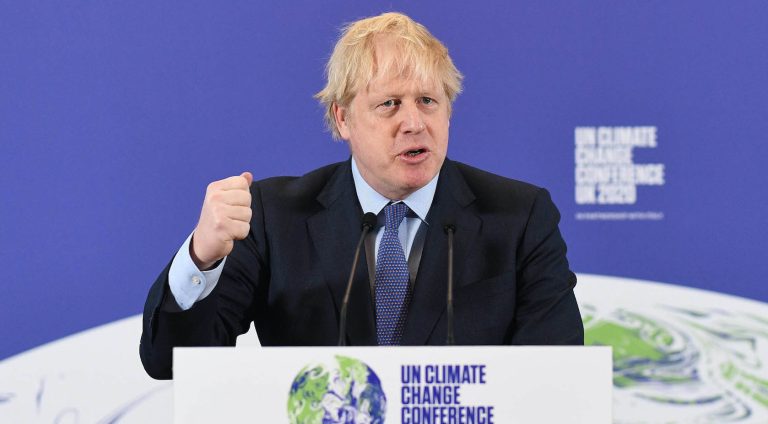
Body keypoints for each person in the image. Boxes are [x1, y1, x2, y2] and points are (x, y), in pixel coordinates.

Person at [140, 12, 583, 380]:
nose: (414, 122)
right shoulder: (275, 218)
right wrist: (201, 258)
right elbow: (170, 362)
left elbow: (556, 378)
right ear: (344, 118)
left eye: (428, 100)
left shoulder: (519, 217)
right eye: (389, 104)